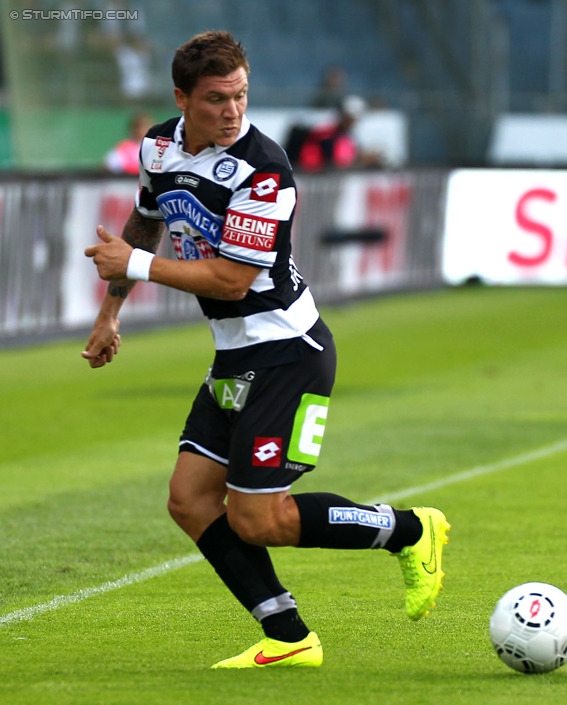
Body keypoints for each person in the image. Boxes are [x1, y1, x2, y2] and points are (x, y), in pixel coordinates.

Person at [82, 30, 450, 669]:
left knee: (259, 518)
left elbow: (230, 278)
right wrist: (110, 313)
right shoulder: (158, 147)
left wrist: (137, 265)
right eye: (217, 99)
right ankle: (288, 636)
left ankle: (411, 531)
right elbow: (146, 217)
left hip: (287, 352)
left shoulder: (264, 170)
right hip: (234, 354)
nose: (232, 112)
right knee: (190, 500)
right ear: (181, 98)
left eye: (241, 96)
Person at [295, 94, 382, 171]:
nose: (353, 122)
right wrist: (361, 161)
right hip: (314, 175)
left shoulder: (346, 136)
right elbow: (336, 163)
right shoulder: (326, 134)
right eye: (350, 118)